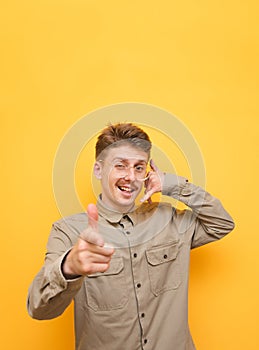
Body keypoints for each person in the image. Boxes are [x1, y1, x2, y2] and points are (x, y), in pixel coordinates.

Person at [27, 122, 235, 350]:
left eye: (139, 167)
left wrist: (171, 185)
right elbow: (39, 309)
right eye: (120, 165)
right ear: (98, 169)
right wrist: (69, 267)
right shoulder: (68, 231)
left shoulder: (169, 220)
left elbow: (221, 223)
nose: (131, 176)